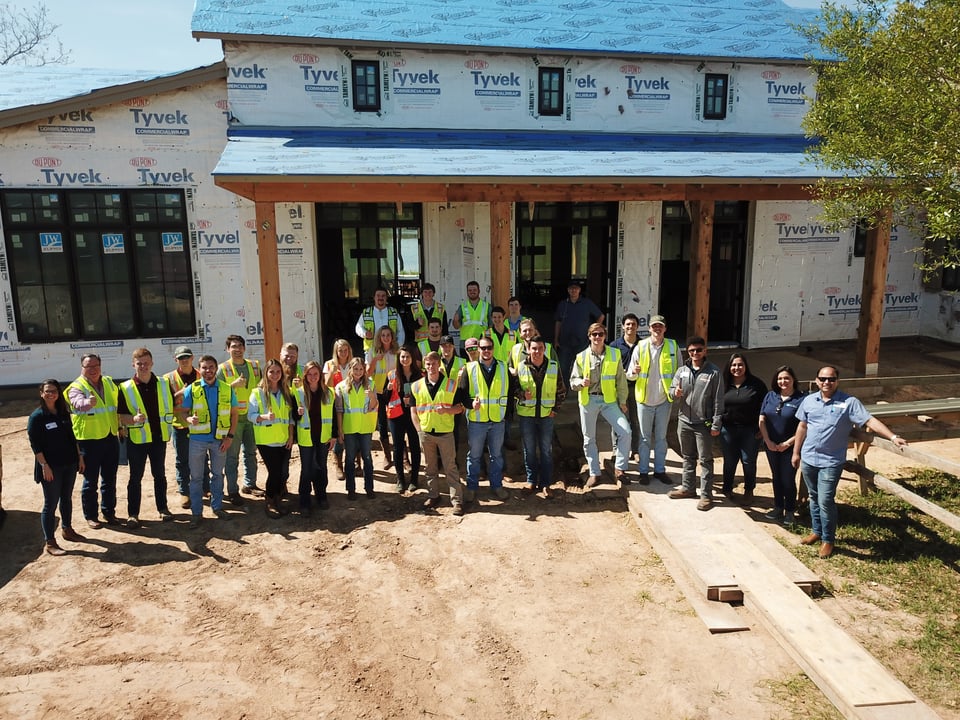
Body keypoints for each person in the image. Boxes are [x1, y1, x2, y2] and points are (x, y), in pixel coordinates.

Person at [792, 366, 907, 558]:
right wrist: (796, 453)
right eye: (823, 379)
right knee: (813, 496)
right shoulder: (809, 400)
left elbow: (870, 421)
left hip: (831, 461)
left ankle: (828, 540)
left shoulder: (849, 402)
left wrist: (893, 436)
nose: (827, 382)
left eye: (831, 379)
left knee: (825, 500)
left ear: (837, 380)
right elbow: (802, 426)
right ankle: (816, 531)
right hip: (809, 458)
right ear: (817, 380)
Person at [568, 322, 631, 489]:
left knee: (625, 432)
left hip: (609, 401)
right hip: (589, 401)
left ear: (605, 336)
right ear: (589, 336)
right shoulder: (581, 357)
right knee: (589, 439)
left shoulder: (614, 354)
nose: (597, 337)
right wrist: (581, 382)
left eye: (600, 334)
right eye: (594, 334)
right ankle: (594, 473)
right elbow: (572, 382)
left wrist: (623, 401)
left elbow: (621, 380)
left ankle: (620, 468)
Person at [118, 347, 175, 526]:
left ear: (152, 363)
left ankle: (163, 509)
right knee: (136, 477)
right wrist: (133, 419)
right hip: (138, 440)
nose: (143, 367)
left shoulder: (164, 384)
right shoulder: (125, 387)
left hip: (158, 438)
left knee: (160, 475)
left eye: (146, 363)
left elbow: (174, 405)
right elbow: (121, 416)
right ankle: (133, 514)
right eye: (139, 364)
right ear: (133, 365)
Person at [28, 379, 85, 555]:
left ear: (58, 393)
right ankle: (50, 542)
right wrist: (44, 465)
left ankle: (67, 530)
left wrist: (79, 458)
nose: (51, 394)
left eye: (54, 391)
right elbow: (35, 445)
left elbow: (72, 437)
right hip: (51, 467)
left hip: (69, 463)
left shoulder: (63, 412)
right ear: (41, 393)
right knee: (50, 503)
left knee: (66, 498)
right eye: (47, 391)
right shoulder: (37, 417)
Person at [182, 355, 239, 529]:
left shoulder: (227, 389)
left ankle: (217, 507)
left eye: (211, 367)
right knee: (196, 478)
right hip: (198, 441)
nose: (208, 371)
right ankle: (196, 513)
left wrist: (230, 437)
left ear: (216, 369)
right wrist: (189, 419)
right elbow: (183, 412)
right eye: (205, 368)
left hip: (219, 440)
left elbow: (234, 414)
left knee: (217, 475)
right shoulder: (192, 389)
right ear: (200, 369)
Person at [65, 353, 121, 529]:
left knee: (110, 479)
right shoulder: (76, 386)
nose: (93, 369)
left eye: (96, 365)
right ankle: (91, 516)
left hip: (110, 437)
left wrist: (120, 427)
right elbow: (77, 403)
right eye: (89, 366)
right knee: (91, 481)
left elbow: (117, 405)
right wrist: (87, 403)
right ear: (82, 367)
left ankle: (109, 512)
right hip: (89, 441)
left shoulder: (109, 382)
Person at [668, 337, 724, 511]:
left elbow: (718, 400)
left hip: (703, 424)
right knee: (687, 457)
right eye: (692, 350)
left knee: (706, 460)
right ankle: (688, 488)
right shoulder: (682, 370)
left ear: (705, 351)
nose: (695, 353)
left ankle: (706, 496)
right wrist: (674, 393)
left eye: (699, 350)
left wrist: (716, 423)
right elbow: (670, 392)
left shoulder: (713, 372)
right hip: (684, 421)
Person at [627, 314, 681, 485]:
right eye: (654, 326)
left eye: (660, 326)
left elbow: (680, 372)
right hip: (644, 400)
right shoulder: (640, 347)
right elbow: (629, 375)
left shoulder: (673, 346)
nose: (657, 329)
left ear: (665, 328)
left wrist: (678, 389)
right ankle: (643, 472)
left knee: (661, 438)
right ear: (649, 329)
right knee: (644, 439)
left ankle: (659, 470)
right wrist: (634, 372)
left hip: (664, 400)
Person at [412, 352, 467, 514]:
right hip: (426, 433)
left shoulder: (451, 385)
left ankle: (457, 501)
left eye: (434, 364)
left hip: (445, 433)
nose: (431, 367)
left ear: (439, 365)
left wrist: (447, 410)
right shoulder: (417, 386)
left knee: (450, 467)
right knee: (430, 468)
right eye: (428, 364)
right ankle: (433, 495)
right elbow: (413, 411)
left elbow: (460, 408)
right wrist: (419, 430)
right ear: (424, 366)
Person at [458, 335, 510, 507]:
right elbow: (462, 394)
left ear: (493, 349)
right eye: (483, 348)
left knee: (496, 456)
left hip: (497, 420)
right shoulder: (469, 368)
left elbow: (511, 391)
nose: (486, 351)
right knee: (474, 456)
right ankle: (472, 487)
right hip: (477, 421)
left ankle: (497, 486)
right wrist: (470, 404)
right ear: (478, 349)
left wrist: (507, 415)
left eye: (489, 348)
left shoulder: (503, 367)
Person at [515, 336, 566, 497]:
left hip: (546, 416)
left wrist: (555, 410)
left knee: (546, 451)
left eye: (540, 349)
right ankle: (531, 481)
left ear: (545, 349)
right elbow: (513, 390)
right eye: (534, 348)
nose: (537, 352)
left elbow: (561, 391)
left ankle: (545, 484)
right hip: (527, 416)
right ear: (528, 350)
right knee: (529, 450)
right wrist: (522, 394)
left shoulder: (553, 366)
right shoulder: (521, 367)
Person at [248, 358, 296, 517]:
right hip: (266, 440)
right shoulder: (257, 392)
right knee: (274, 472)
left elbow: (289, 417)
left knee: (283, 473)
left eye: (278, 372)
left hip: (283, 439)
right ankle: (270, 501)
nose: (275, 375)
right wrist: (263, 417)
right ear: (266, 373)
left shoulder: (286, 392)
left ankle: (277, 497)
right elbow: (251, 415)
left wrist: (290, 437)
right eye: (271, 372)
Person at [758, 366, 805, 526]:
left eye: (786, 378)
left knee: (788, 479)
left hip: (790, 447)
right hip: (771, 445)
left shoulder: (801, 399)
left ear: (793, 380)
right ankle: (778, 507)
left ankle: (790, 511)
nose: (783, 381)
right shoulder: (770, 396)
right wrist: (768, 441)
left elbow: (804, 426)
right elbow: (762, 419)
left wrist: (787, 443)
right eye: (780, 378)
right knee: (776, 477)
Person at [217, 335, 262, 500]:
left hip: (251, 417)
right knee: (232, 457)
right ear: (228, 349)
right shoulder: (223, 369)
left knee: (251, 452)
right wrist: (232, 385)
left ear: (244, 348)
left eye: (240, 346)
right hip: (233, 419)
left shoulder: (255, 366)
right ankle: (232, 490)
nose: (237, 349)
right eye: (233, 346)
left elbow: (263, 386)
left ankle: (250, 484)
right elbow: (216, 391)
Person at [719, 353, 768, 503]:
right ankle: (727, 489)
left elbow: (766, 407)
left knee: (748, 461)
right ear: (729, 367)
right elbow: (714, 405)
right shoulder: (723, 384)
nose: (737, 368)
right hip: (728, 429)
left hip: (750, 430)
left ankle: (749, 491)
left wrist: (763, 428)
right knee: (729, 461)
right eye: (734, 365)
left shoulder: (756, 384)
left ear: (746, 366)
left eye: (740, 365)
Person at [166, 346, 209, 509]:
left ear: (192, 358)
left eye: (187, 358)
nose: (184, 361)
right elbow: (166, 405)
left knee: (204, 458)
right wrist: (178, 396)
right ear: (176, 360)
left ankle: (206, 488)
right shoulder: (168, 379)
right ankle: (185, 492)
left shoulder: (202, 374)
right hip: (181, 426)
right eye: (181, 358)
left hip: (202, 426)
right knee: (182, 460)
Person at [295, 360, 335, 516]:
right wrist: (296, 414)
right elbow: (293, 417)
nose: (313, 377)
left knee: (321, 467)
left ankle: (321, 496)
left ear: (320, 375)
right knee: (307, 470)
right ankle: (304, 501)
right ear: (305, 376)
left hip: (323, 437)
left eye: (315, 374)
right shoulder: (298, 393)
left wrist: (334, 436)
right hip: (306, 437)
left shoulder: (328, 392)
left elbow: (332, 415)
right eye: (309, 374)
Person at [336, 357, 379, 499]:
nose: (358, 372)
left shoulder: (371, 384)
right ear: (350, 369)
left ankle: (369, 488)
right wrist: (340, 430)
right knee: (349, 459)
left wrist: (372, 396)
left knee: (367, 458)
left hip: (365, 427)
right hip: (349, 428)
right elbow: (340, 410)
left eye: (361, 369)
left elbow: (374, 406)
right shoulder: (341, 387)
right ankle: (351, 489)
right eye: (355, 369)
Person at [386, 345, 424, 493]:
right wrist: (388, 390)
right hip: (396, 416)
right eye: (402, 357)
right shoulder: (392, 375)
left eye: (407, 356)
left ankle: (414, 479)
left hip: (413, 416)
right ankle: (400, 480)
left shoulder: (419, 375)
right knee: (398, 447)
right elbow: (384, 398)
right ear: (398, 358)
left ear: (412, 359)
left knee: (414, 446)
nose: (405, 359)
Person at [554, 281, 604, 382]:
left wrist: (594, 330)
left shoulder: (587, 303)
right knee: (563, 368)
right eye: (571, 288)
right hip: (565, 343)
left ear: (579, 290)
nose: (573, 290)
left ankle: (581, 390)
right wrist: (556, 339)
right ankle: (563, 393)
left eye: (576, 288)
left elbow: (601, 316)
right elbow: (558, 322)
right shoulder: (563, 304)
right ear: (568, 290)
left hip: (582, 342)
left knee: (583, 368)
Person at [610, 313, 641, 466]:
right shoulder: (614, 346)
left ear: (637, 326)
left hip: (637, 388)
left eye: (633, 324)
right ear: (623, 326)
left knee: (635, 420)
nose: (630, 327)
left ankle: (635, 451)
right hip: (619, 389)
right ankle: (617, 450)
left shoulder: (643, 345)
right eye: (627, 324)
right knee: (618, 420)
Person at [366, 325, 399, 468]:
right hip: (378, 391)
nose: (386, 338)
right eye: (383, 335)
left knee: (397, 422)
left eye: (388, 335)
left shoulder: (397, 352)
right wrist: (374, 360)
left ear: (392, 337)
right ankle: (387, 456)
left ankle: (403, 457)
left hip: (393, 390)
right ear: (379, 337)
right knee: (382, 424)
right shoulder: (372, 351)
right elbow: (367, 373)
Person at [323, 338, 354, 481]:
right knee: (338, 433)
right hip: (335, 404)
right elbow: (325, 385)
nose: (343, 353)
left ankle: (355, 463)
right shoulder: (329, 364)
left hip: (352, 403)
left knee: (352, 432)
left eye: (345, 350)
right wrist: (331, 372)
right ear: (336, 351)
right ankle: (338, 465)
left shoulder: (353, 363)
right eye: (340, 350)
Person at [356, 286, 405, 352]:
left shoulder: (394, 313)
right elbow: (358, 327)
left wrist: (398, 345)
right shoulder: (366, 313)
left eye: (383, 296)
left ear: (386, 298)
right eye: (378, 295)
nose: (380, 298)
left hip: (390, 350)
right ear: (374, 297)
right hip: (371, 350)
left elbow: (400, 331)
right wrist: (365, 333)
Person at [452, 280, 490, 356]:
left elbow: (492, 326)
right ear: (467, 292)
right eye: (470, 290)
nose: (472, 292)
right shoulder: (462, 307)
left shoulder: (487, 306)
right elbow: (456, 326)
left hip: (481, 342)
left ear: (479, 291)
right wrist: (455, 321)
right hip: (465, 343)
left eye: (474, 290)